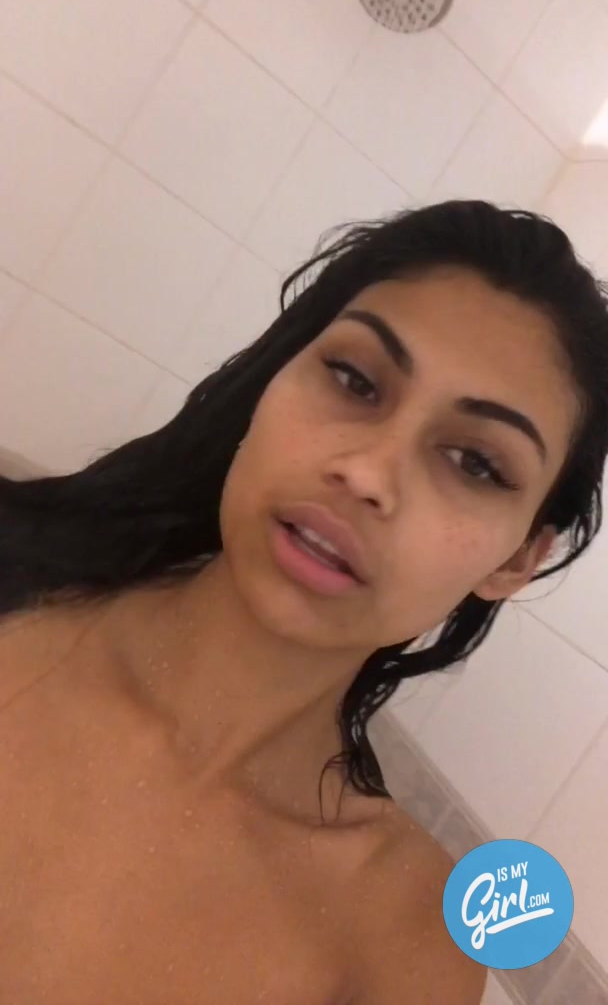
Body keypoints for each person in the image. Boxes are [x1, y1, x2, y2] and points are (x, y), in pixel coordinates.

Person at [1, 199, 607, 1004]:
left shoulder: (400, 943)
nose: (367, 472)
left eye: (475, 463)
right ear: (276, 378)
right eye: (354, 379)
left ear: (518, 559)